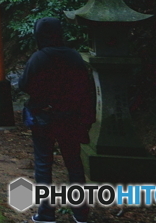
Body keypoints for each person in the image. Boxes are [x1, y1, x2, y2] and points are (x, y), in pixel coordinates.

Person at [18, 17, 96, 223]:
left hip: (44, 117)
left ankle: (46, 213)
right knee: (74, 163)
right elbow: (85, 89)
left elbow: (24, 85)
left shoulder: (39, 58)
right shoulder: (74, 57)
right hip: (70, 119)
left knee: (44, 163)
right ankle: (80, 213)